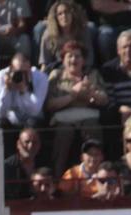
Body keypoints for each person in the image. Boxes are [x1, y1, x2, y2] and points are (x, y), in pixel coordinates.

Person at [44, 39, 107, 174]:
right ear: (63, 60)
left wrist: (91, 92)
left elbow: (104, 99)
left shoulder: (92, 75)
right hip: (63, 119)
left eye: (77, 56)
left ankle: (98, 175)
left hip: (88, 117)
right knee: (64, 132)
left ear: (83, 60)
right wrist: (73, 95)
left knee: (92, 127)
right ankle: (57, 176)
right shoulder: (56, 76)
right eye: (69, 56)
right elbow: (49, 104)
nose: (73, 59)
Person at [36, 0, 94, 71]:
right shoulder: (48, 35)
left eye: (67, 12)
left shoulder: (83, 31)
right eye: (60, 14)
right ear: (55, 17)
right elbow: (45, 62)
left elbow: (89, 60)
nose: (64, 16)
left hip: (81, 69)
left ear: (73, 14)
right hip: (58, 71)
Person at [0, 51, 48, 129]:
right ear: (11, 68)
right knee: (0, 123)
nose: (21, 75)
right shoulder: (1, 77)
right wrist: (6, 89)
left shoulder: (41, 78)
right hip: (11, 118)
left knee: (32, 123)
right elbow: (0, 112)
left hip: (32, 119)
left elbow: (35, 111)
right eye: (18, 71)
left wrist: (23, 91)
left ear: (30, 68)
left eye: (24, 72)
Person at [3, 125, 41, 199]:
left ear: (39, 145)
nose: (30, 146)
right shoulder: (7, 167)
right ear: (18, 144)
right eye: (27, 142)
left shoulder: (44, 163)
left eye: (35, 142)